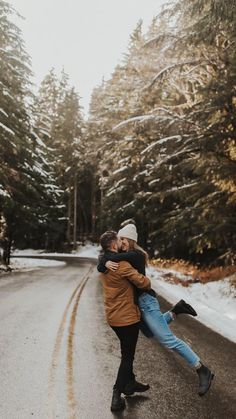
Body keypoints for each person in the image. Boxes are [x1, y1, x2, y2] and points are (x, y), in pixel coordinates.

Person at [97, 223, 214, 397]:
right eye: (118, 239)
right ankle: (176, 310)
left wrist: (105, 260)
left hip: (147, 302)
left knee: (168, 340)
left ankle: (202, 369)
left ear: (129, 240)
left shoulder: (136, 255)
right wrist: (104, 260)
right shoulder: (123, 255)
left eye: (122, 239)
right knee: (149, 333)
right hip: (137, 304)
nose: (120, 242)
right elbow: (106, 259)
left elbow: (111, 259)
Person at [99, 230, 151, 412]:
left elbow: (102, 261)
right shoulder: (122, 266)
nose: (121, 242)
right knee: (128, 356)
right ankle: (116, 394)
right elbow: (144, 283)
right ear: (113, 245)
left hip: (113, 316)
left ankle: (130, 384)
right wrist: (145, 278)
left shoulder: (106, 264)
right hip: (127, 318)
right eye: (118, 240)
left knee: (125, 352)